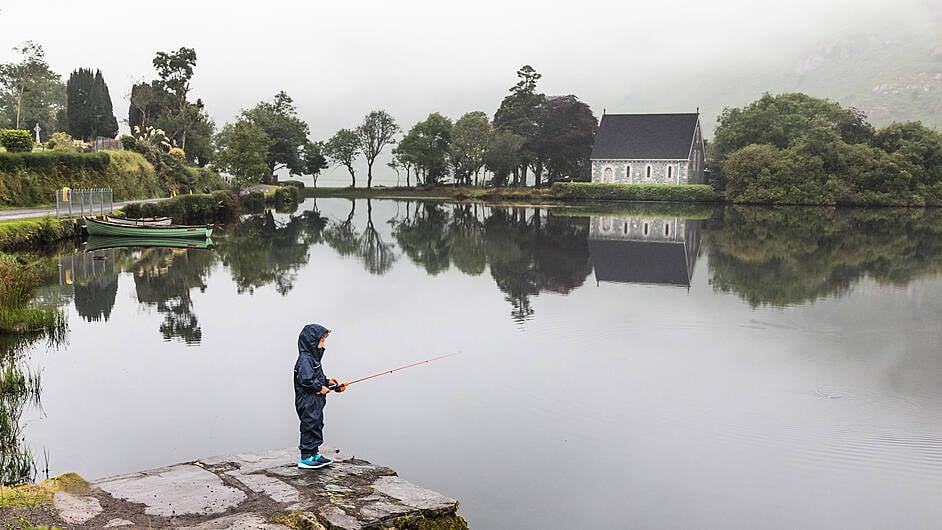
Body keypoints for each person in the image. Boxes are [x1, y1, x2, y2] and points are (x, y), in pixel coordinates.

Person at [294, 323, 342, 469]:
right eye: (321, 341)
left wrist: (327, 382)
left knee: (316, 424)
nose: (322, 345)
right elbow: (306, 380)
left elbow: (316, 377)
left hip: (315, 401)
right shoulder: (305, 359)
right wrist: (319, 387)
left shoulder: (314, 359)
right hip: (307, 401)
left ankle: (314, 453)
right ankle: (305, 457)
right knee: (309, 424)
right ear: (311, 342)